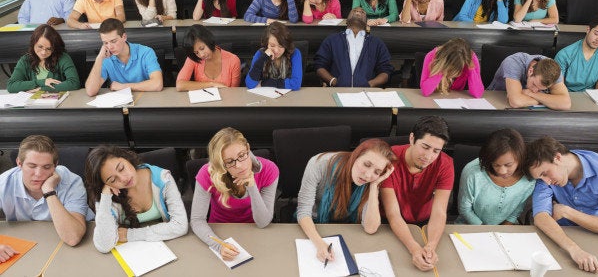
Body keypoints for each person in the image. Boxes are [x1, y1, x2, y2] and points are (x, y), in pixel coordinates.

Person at [523, 136, 598, 273]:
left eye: (545, 173)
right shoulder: (546, 176)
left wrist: (567, 212)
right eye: (541, 178)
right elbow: (541, 216)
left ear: (558, 158)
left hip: (596, 235)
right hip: (559, 234)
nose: (546, 181)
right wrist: (574, 250)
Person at [297, 139, 396, 263]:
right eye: (366, 164)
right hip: (315, 224)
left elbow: (370, 228)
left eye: (377, 172)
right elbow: (303, 211)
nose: (368, 175)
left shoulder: (372, 180)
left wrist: (374, 185)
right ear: (356, 155)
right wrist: (320, 244)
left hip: (348, 227)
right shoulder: (320, 164)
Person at [190, 127, 278, 260]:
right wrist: (219, 246)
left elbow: (263, 222)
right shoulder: (207, 173)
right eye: (229, 162)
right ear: (220, 164)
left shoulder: (269, 169)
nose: (239, 166)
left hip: (254, 229)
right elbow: (197, 220)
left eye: (242, 155)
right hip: (219, 231)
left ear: (248, 148)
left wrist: (252, 186)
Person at [381, 116, 453, 271]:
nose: (428, 156)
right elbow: (393, 214)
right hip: (388, 224)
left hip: (423, 222)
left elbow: (439, 212)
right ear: (412, 138)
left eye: (436, 151)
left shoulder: (445, 164)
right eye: (425, 147)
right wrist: (414, 248)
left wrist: (431, 246)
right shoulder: (389, 159)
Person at [84, 145, 188, 253]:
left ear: (126, 157)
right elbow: (104, 246)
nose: (124, 178)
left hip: (167, 244)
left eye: (121, 168)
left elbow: (180, 226)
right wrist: (105, 198)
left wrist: (130, 235)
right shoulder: (106, 196)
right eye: (113, 180)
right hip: (130, 252)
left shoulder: (162, 178)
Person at [0, 135, 91, 252]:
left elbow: (72, 238)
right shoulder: (3, 182)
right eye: (32, 166)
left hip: (68, 244)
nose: (38, 174)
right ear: (19, 163)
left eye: (46, 167)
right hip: (24, 244)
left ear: (55, 165)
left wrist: (49, 191)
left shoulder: (72, 182)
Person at [456, 128, 535, 225]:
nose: (502, 171)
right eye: (496, 165)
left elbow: (516, 212)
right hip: (470, 227)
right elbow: (465, 209)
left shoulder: (529, 178)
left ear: (520, 158)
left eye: (508, 165)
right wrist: (487, 232)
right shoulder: (472, 172)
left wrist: (502, 229)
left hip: (504, 230)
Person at [314, 7, 393, 87]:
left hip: (365, 93)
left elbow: (385, 71)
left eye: (362, 12)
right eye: (354, 11)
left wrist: (369, 84)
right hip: (338, 92)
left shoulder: (376, 43)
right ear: (346, 20)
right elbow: (319, 65)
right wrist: (333, 81)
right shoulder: (332, 40)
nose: (358, 12)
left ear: (366, 22)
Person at [85, 18, 163, 96]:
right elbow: (90, 91)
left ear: (124, 37)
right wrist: (99, 59)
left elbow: (157, 84)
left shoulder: (146, 52)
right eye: (105, 43)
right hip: (119, 103)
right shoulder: (105, 57)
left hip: (147, 99)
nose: (110, 47)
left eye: (113, 41)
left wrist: (123, 87)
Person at [554, 13, 598, 92]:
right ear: (588, 30)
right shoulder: (564, 55)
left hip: (592, 98)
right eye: (597, 34)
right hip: (567, 96)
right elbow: (557, 88)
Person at [7, 24, 80, 93]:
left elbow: (74, 83)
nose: (43, 52)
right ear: (33, 43)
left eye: (49, 48)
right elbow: (11, 86)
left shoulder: (63, 58)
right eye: (40, 47)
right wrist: (41, 82)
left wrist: (43, 89)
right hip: (32, 103)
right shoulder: (25, 60)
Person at [488, 53, 571, 110]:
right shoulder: (513, 62)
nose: (535, 90)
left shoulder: (553, 71)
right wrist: (547, 100)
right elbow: (516, 102)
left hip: (527, 108)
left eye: (540, 89)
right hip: (497, 102)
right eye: (534, 84)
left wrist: (529, 93)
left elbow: (565, 104)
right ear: (530, 71)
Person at [176, 25, 241, 91]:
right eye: (196, 52)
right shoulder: (193, 58)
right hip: (202, 99)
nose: (201, 55)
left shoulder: (233, 60)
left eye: (202, 48)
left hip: (227, 100)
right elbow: (180, 85)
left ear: (209, 40)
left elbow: (234, 92)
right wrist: (211, 84)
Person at [245, 22, 302, 90]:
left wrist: (264, 83)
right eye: (272, 46)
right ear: (267, 44)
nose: (276, 50)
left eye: (281, 46)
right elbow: (250, 84)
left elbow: (296, 84)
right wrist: (263, 58)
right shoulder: (260, 54)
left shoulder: (295, 53)